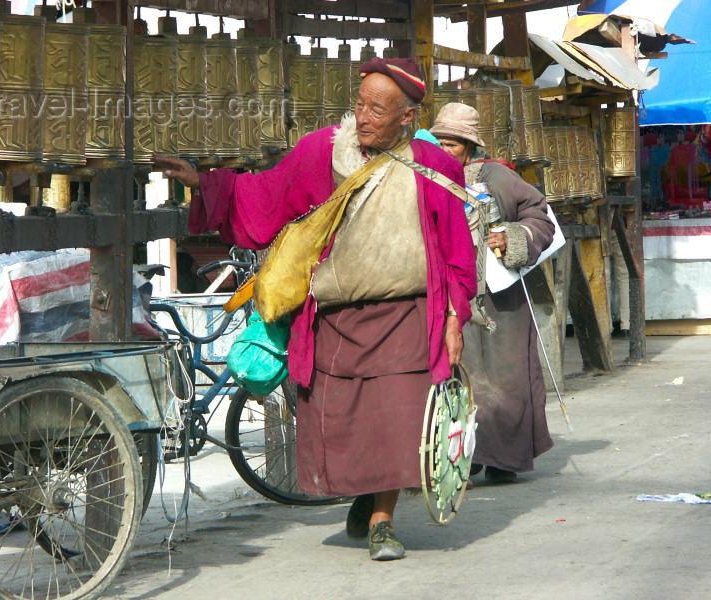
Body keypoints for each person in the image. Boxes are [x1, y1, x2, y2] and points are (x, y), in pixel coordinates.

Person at [154, 58, 476, 561]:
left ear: (407, 118)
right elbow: (265, 192)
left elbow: (457, 250)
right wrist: (204, 182)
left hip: (406, 314)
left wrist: (456, 317)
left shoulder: (434, 170)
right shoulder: (322, 154)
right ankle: (368, 494)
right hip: (336, 317)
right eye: (359, 105)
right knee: (347, 421)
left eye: (378, 109)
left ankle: (383, 522)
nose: (364, 117)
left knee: (394, 422)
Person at [429, 102, 555, 484]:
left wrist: (512, 237)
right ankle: (462, 459)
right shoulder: (425, 177)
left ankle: (503, 457)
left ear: (469, 146)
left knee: (505, 378)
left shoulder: (498, 178)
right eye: (438, 142)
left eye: (452, 144)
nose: (443, 150)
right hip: (448, 293)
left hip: (500, 299)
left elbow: (538, 215)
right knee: (455, 375)